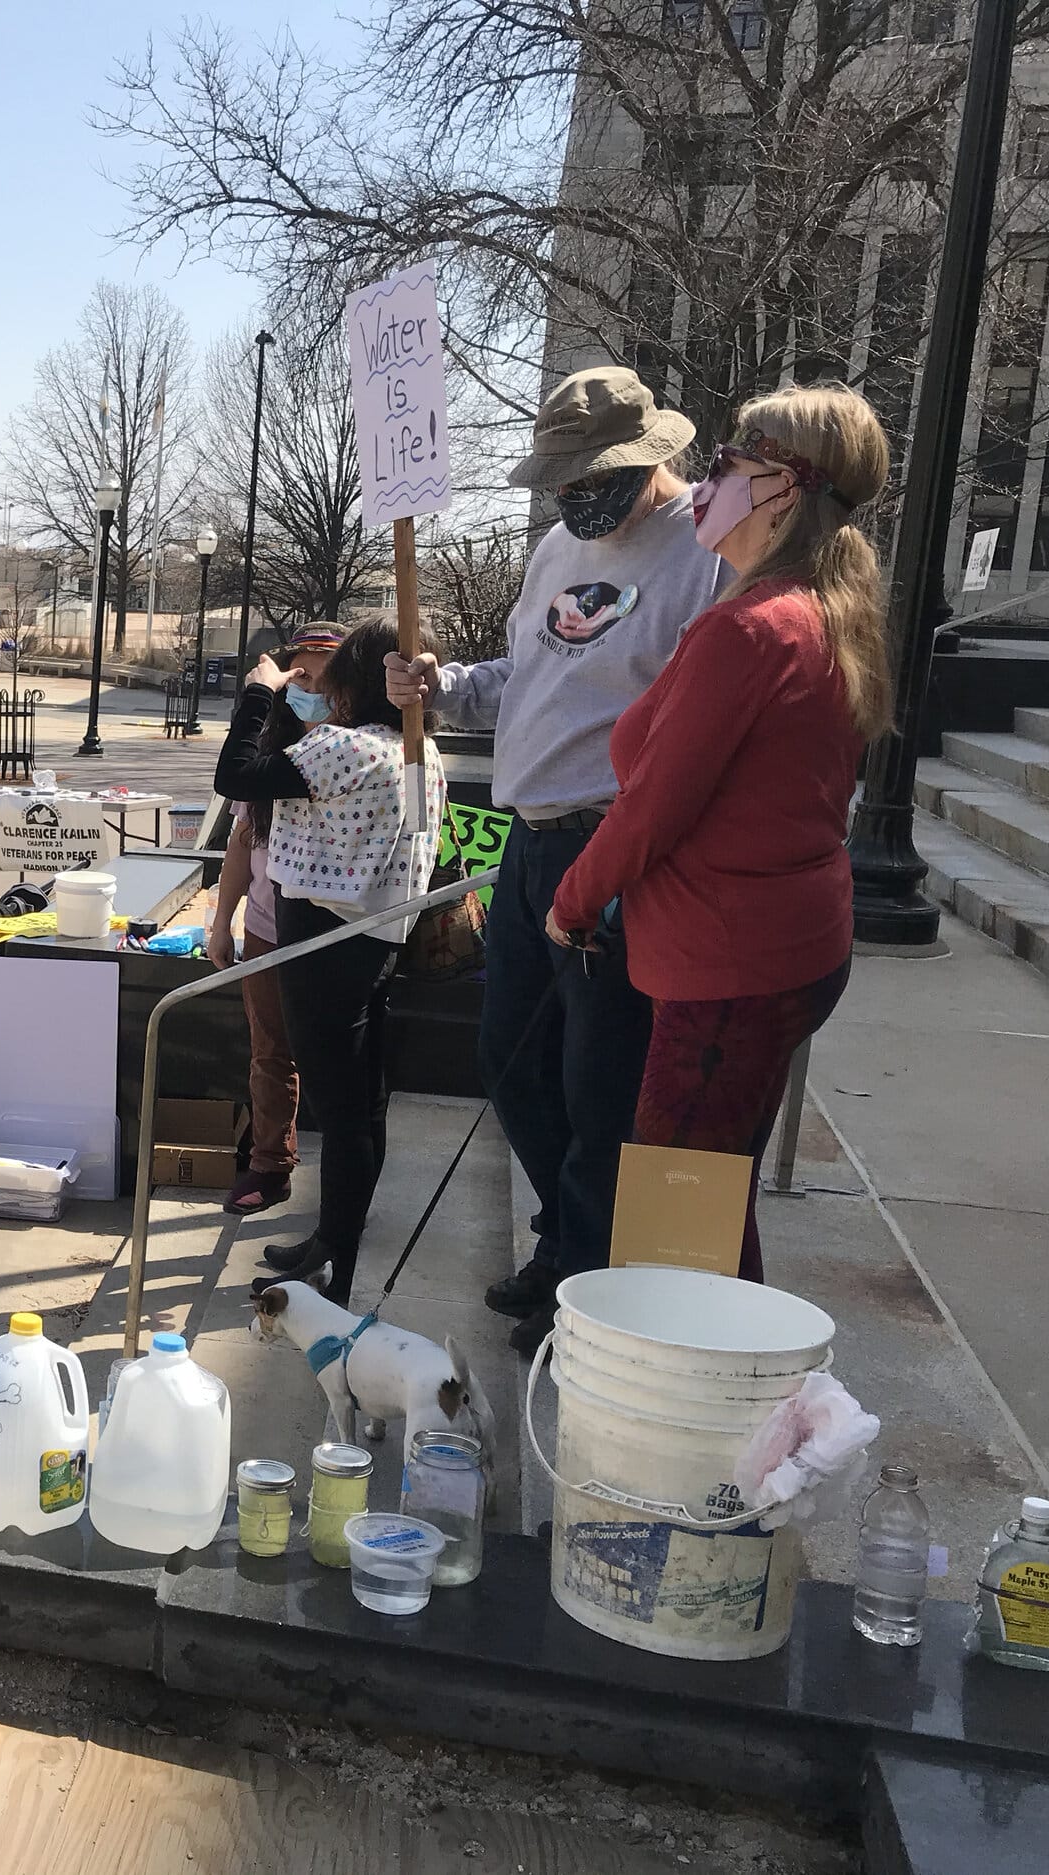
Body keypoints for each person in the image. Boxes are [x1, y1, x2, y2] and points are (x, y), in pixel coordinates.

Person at [385, 366, 727, 1353]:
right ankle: (565, 1237)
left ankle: (585, 1284)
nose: (575, 495)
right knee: (509, 1060)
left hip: (614, 847)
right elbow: (528, 675)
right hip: (529, 843)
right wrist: (444, 686)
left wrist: (635, 853)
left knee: (598, 1083)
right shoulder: (554, 550)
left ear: (649, 457)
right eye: (562, 479)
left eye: (592, 476)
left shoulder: (705, 551)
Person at [549, 386, 891, 1285]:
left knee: (677, 1230)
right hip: (778, 951)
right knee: (707, 1204)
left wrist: (572, 901)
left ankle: (705, 1371)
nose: (706, 485)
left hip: (729, 971)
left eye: (727, 464)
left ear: (782, 487)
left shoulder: (751, 630)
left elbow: (653, 805)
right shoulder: (817, 611)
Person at [214, 620, 447, 1306]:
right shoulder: (415, 747)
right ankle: (335, 1240)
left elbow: (235, 775)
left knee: (340, 1111)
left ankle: (333, 1262)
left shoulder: (345, 747)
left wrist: (259, 695)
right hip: (374, 936)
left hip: (325, 938)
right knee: (363, 1101)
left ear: (354, 681)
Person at [207, 770, 304, 1219]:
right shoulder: (266, 766)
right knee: (269, 1051)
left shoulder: (351, 753)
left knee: (337, 1058)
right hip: (266, 927)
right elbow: (241, 843)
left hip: (340, 930)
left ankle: (347, 1186)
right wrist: (221, 924)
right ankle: (270, 1165)